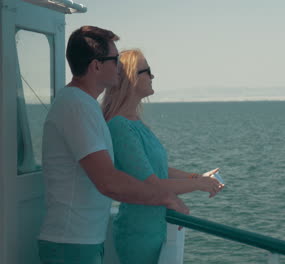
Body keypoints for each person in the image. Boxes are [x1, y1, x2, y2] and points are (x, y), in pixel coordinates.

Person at [37, 26, 191, 264]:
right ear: (96, 66)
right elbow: (109, 181)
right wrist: (165, 197)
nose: (120, 66)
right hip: (71, 245)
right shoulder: (76, 107)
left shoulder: (83, 105)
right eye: (115, 59)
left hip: (81, 242)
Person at [101, 49, 224, 264]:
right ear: (131, 77)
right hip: (139, 234)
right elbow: (152, 184)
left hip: (154, 228)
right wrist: (200, 185)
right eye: (146, 71)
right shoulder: (120, 126)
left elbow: (156, 168)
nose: (152, 76)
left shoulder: (136, 123)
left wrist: (196, 177)